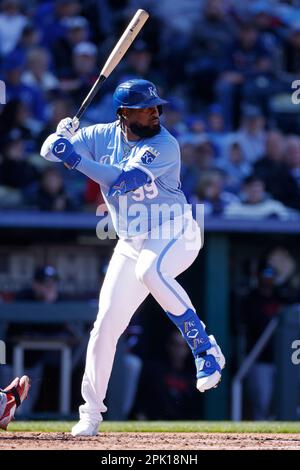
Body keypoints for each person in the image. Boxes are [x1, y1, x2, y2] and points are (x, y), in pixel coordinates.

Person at [40, 78, 225, 436]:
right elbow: (49, 152)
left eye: (157, 106)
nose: (155, 113)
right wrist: (60, 135)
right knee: (105, 325)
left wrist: (74, 157)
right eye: (146, 108)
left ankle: (204, 348)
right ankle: (91, 414)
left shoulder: (165, 144)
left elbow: (123, 180)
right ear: (124, 113)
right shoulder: (100, 135)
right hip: (131, 238)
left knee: (150, 271)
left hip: (175, 230)